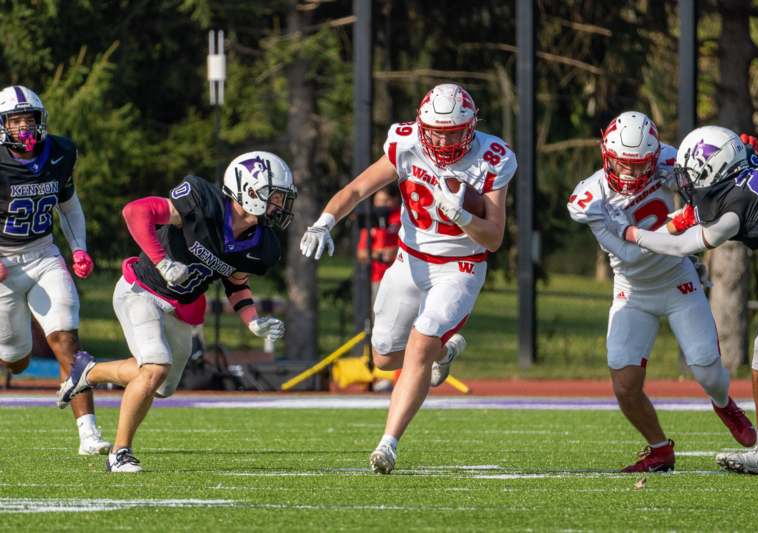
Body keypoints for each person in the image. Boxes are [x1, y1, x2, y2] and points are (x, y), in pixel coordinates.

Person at [300, 83, 516, 474]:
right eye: (436, 130)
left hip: (460, 267)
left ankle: (388, 444)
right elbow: (357, 188)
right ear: (422, 124)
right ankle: (445, 351)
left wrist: (464, 217)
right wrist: (324, 222)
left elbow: (495, 237)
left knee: (418, 347)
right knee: (383, 356)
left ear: (470, 127)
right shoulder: (405, 142)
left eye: (453, 132)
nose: (443, 139)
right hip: (409, 261)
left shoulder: (493, 157)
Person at [58, 151, 293, 472]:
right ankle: (120, 453)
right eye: (275, 196)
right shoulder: (203, 202)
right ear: (248, 191)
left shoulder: (259, 243)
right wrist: (161, 260)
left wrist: (253, 322)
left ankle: (89, 371)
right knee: (155, 367)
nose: (280, 205)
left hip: (180, 309)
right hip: (140, 290)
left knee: (161, 384)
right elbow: (135, 211)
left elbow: (236, 283)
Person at [567, 112, 756, 473]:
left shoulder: (672, 160)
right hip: (632, 290)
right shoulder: (590, 198)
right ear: (606, 156)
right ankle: (659, 449)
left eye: (641, 167)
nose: (632, 175)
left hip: (677, 281)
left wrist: (743, 161)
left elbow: (715, 182)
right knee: (624, 384)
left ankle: (724, 403)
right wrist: (672, 230)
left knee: (706, 370)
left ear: (654, 159)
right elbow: (627, 254)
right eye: (624, 165)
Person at [619, 125, 758, 475]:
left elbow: (680, 246)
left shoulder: (734, 210)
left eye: (692, 175)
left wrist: (630, 234)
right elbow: (694, 212)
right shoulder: (744, 160)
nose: (687, 183)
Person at [0, 85, 109, 455]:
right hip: (3, 262)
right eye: (15, 121)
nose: (23, 127)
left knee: (67, 343)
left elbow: (69, 206)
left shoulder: (59, 152)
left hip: (44, 254)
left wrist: (79, 248)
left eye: (28, 119)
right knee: (16, 360)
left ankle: (89, 434)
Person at [356, 186, 401, 307]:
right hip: (377, 278)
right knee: (379, 315)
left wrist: (396, 251)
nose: (381, 205)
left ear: (395, 200)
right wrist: (380, 254)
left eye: (385, 201)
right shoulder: (371, 221)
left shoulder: (402, 217)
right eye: (378, 201)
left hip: (401, 278)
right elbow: (361, 253)